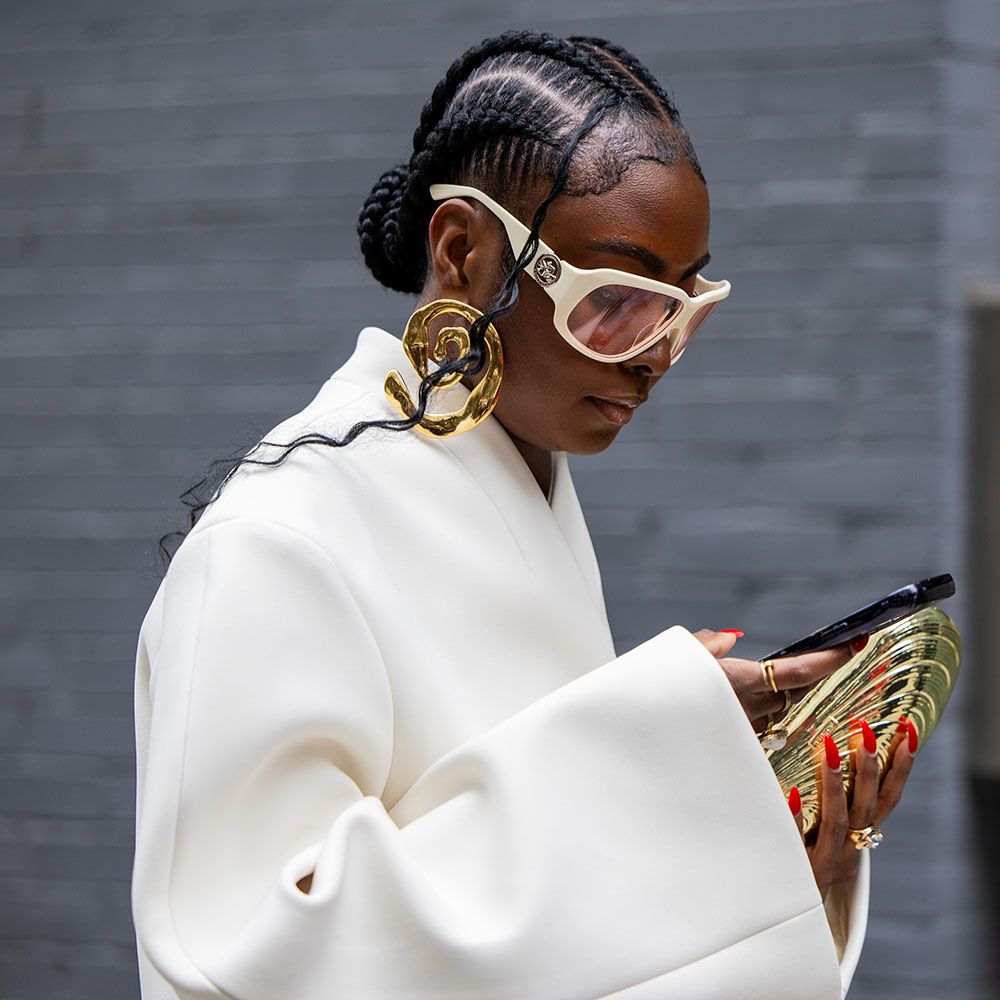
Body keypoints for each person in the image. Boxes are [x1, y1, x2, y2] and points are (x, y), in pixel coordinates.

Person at [131, 30, 918, 999]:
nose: (656, 355)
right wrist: (662, 757)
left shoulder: (517, 480)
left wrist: (763, 851)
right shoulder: (276, 544)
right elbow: (245, 957)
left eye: (685, 308)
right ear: (462, 250)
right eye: (617, 302)